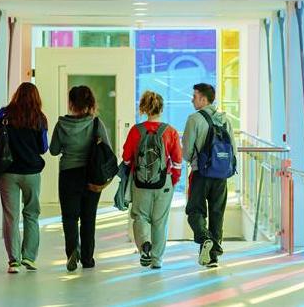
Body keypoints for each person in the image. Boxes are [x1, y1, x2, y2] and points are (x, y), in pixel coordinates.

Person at [0, 82, 49, 274]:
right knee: (31, 214)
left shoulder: (3, 114)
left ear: (16, 95)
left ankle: (14, 261)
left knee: (10, 217)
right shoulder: (40, 118)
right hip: (31, 173)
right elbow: (43, 148)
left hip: (8, 172)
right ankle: (29, 257)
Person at [50, 86, 110, 271]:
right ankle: (87, 259)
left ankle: (71, 253)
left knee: (69, 217)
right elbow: (107, 149)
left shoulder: (61, 124)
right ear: (90, 103)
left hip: (68, 174)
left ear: (71, 103)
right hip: (91, 175)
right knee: (88, 218)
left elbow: (53, 150)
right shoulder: (96, 124)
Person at [122, 91, 182, 269]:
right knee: (160, 221)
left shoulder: (136, 131)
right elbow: (178, 161)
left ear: (144, 108)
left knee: (140, 216)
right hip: (164, 182)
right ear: (161, 108)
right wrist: (172, 180)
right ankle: (157, 260)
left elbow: (126, 158)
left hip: (140, 183)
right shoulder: (170, 131)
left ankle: (144, 246)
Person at [182, 83, 234, 268]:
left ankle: (204, 238)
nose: (192, 99)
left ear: (203, 99)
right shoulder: (225, 119)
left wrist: (191, 159)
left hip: (201, 173)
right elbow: (232, 148)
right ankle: (213, 256)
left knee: (194, 210)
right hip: (221, 174)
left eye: (194, 96)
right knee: (217, 212)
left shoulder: (194, 119)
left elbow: (186, 152)